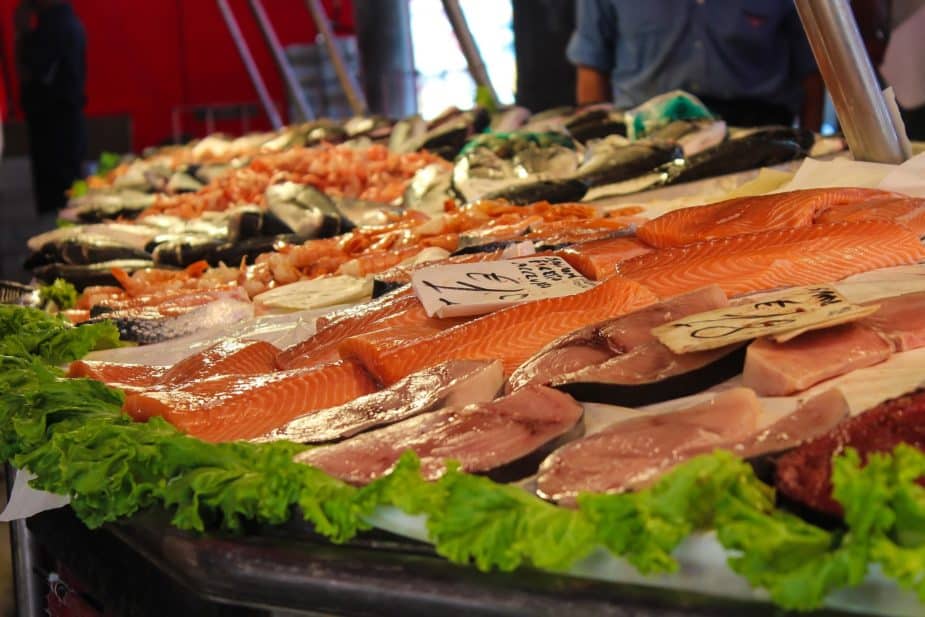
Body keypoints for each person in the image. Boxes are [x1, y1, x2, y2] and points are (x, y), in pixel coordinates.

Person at [567, 1, 823, 130]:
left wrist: (814, 145)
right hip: (648, 133)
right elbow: (591, 65)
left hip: (759, 130)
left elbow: (812, 70)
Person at [15, 0, 87, 213]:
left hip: (55, 130)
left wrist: (21, 32)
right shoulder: (66, 22)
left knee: (61, 205)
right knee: (68, 199)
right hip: (63, 125)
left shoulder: (54, 27)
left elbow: (30, 73)